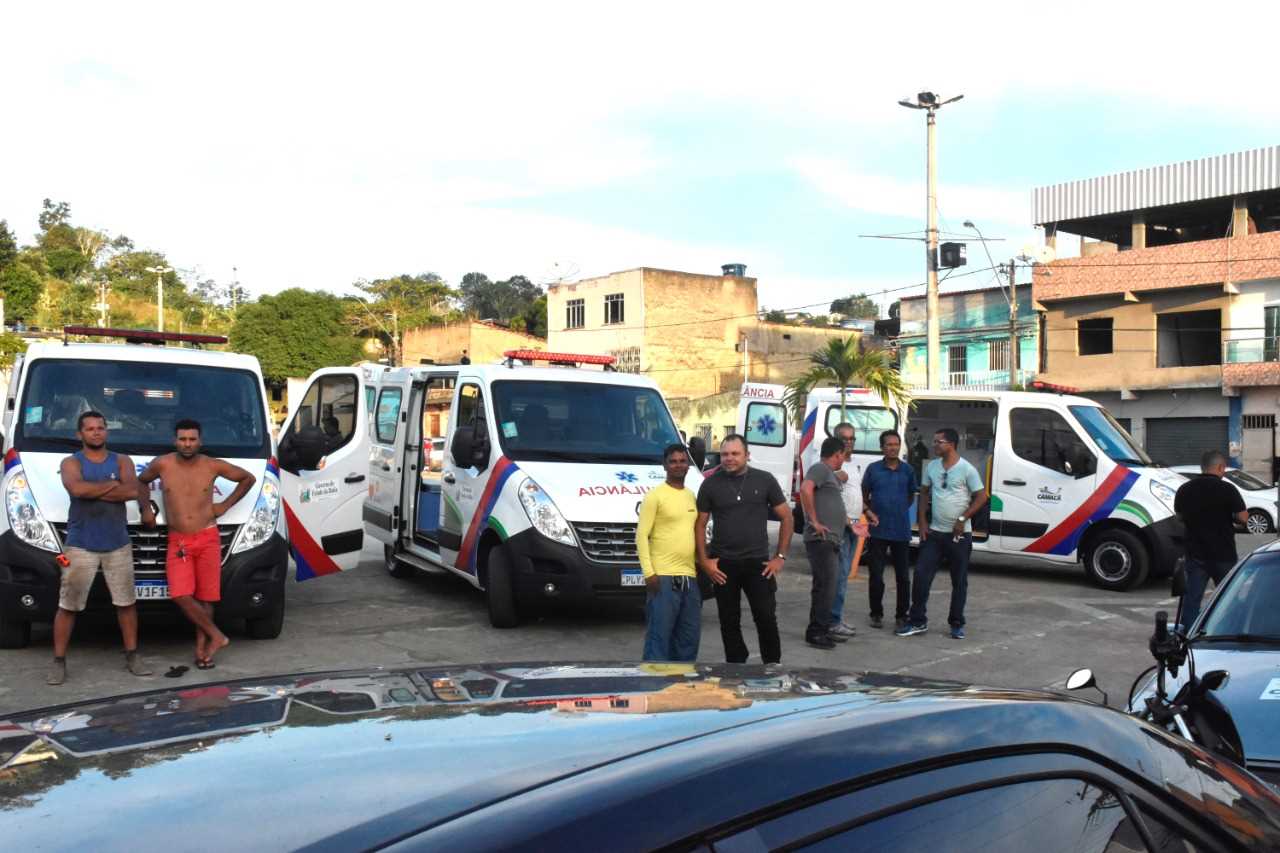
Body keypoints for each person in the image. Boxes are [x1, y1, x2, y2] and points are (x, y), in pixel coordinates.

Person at [138, 419, 256, 669]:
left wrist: (225, 505)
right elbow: (141, 481)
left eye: (192, 439)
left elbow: (248, 478)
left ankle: (203, 651)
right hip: (178, 540)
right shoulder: (163, 463)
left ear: (200, 441)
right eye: (182, 439)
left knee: (206, 597)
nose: (187, 444)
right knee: (181, 594)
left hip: (207, 537)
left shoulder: (212, 465)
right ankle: (217, 635)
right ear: (175, 440)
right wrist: (145, 508)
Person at [48, 412, 153, 686]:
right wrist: (112, 485)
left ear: (107, 431)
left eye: (101, 428)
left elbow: (132, 491)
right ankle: (58, 661)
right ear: (79, 434)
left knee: (126, 603)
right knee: (68, 604)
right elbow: (76, 490)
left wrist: (94, 488)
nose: (96, 433)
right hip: (79, 544)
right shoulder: (71, 462)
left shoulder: (122, 460)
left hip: (118, 543)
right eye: (90, 429)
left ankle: (132, 655)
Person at [695, 434, 793, 664]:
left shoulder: (765, 480)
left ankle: (772, 666)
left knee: (766, 617)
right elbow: (699, 524)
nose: (729, 459)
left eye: (735, 454)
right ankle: (736, 665)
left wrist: (780, 557)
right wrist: (704, 561)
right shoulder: (710, 484)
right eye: (725, 454)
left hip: (758, 564)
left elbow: (787, 517)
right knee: (729, 620)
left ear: (747, 455)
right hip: (723, 564)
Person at [898, 428, 987, 640]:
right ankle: (917, 620)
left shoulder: (967, 469)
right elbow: (924, 493)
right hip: (935, 534)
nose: (935, 445)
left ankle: (956, 623)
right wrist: (921, 521)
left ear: (952, 444)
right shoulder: (932, 467)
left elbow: (981, 497)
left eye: (939, 442)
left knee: (959, 581)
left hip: (959, 536)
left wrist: (963, 519)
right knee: (921, 575)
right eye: (935, 441)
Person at [636, 444, 701, 661]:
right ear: (664, 465)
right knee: (659, 637)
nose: (678, 465)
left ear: (688, 465)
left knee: (688, 638)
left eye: (682, 461)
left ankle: (680, 686)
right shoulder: (655, 496)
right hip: (662, 577)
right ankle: (653, 686)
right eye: (673, 461)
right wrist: (649, 573)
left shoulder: (691, 496)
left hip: (689, 578)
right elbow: (641, 536)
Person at [1174, 449, 1247, 632]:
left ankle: (1189, 639)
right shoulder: (1227, 489)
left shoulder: (1185, 489)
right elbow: (1243, 518)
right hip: (1223, 554)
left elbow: (1179, 517)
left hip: (1195, 554)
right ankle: (1232, 632)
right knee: (1230, 597)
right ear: (1221, 467)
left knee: (1192, 600)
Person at [862, 429, 918, 630]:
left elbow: (911, 495)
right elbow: (863, 496)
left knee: (903, 577)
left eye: (896, 444)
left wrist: (899, 509)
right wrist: (869, 512)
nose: (893, 448)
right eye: (889, 445)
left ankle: (902, 615)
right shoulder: (873, 469)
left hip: (901, 531)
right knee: (876, 575)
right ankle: (876, 613)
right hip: (877, 531)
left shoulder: (908, 471)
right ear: (882, 448)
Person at [798, 437, 850, 649]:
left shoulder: (829, 475)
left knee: (828, 585)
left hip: (831, 539)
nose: (843, 460)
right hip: (821, 539)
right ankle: (816, 632)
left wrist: (849, 524)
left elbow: (831, 504)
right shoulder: (820, 468)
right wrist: (814, 521)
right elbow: (805, 489)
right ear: (837, 454)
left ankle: (823, 627)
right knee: (826, 585)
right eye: (843, 456)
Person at [828, 421, 864, 639]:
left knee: (844, 576)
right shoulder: (832, 465)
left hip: (854, 526)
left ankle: (837, 618)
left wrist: (867, 512)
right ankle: (833, 621)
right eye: (844, 438)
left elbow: (855, 494)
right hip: (840, 527)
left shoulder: (854, 464)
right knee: (839, 576)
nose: (849, 442)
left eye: (852, 439)